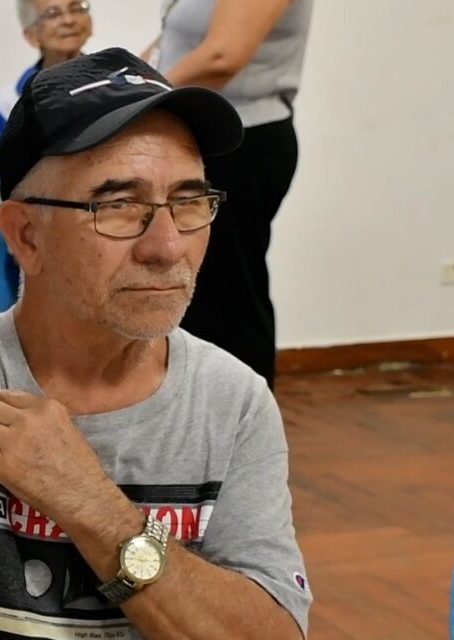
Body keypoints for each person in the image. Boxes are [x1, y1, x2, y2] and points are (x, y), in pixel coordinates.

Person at [0, 49, 311, 639]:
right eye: (120, 207)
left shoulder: (235, 404)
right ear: (26, 235)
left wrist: (91, 505)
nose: (168, 247)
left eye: (188, 202)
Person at [153, 0, 315, 387]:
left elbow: (222, 56)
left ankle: (245, 431)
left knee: (226, 298)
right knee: (201, 297)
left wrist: (135, 100)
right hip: (208, 140)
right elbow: (173, 44)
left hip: (240, 144)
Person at [0, 0, 93, 171]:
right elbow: (2, 168)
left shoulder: (115, 82)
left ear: (90, 22)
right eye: (53, 13)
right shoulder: (12, 99)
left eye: (76, 8)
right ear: (31, 35)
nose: (68, 20)